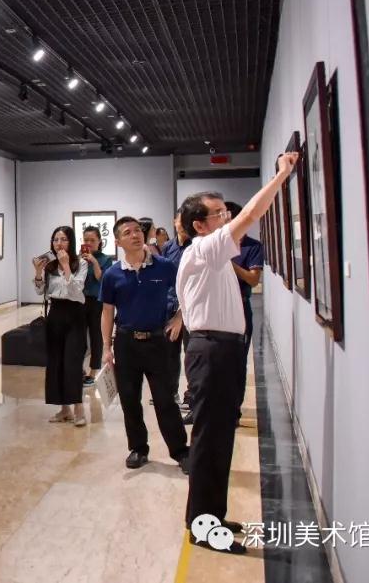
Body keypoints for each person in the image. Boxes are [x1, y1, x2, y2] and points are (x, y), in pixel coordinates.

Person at [177, 151, 298, 555]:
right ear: (199, 225)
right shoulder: (202, 249)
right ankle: (204, 527)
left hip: (222, 350)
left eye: (225, 213)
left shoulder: (214, 253)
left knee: (220, 436)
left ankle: (211, 514)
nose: (226, 219)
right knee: (210, 439)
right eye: (218, 214)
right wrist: (281, 176)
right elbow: (250, 215)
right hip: (210, 351)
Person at [100, 217, 188, 472]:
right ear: (118, 242)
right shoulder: (112, 274)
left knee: (165, 399)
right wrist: (106, 347)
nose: (135, 235)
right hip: (126, 343)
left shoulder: (164, 266)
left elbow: (186, 291)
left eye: (138, 230)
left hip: (158, 342)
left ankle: (180, 451)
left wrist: (179, 317)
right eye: (127, 232)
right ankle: (138, 448)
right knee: (129, 399)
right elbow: (107, 311)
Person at [32, 226, 89, 426]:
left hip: (75, 313)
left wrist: (66, 267)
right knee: (56, 362)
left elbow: (76, 290)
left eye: (63, 239)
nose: (59, 243)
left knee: (73, 361)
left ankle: (79, 408)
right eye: (56, 239)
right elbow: (40, 291)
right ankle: (65, 410)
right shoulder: (50, 266)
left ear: (70, 242)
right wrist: (38, 272)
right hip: (55, 313)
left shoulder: (80, 263)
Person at [225, 201, 264, 417]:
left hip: (240, 305)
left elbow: (253, 279)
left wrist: (230, 264)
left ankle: (234, 409)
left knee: (238, 360)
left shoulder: (252, 246)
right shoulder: (216, 245)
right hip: (217, 308)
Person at [163, 210, 192, 417]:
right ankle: (170, 393)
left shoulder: (196, 247)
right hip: (169, 305)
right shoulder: (168, 247)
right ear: (175, 221)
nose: (183, 224)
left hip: (190, 309)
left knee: (191, 354)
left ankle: (191, 397)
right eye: (181, 220)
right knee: (169, 354)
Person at [79, 226, 113, 387]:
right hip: (79, 301)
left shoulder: (105, 259)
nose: (89, 243)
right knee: (78, 336)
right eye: (86, 240)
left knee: (95, 336)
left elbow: (102, 280)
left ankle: (92, 372)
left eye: (92, 240)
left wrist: (93, 261)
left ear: (100, 241)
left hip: (97, 301)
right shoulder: (79, 258)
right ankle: (79, 369)